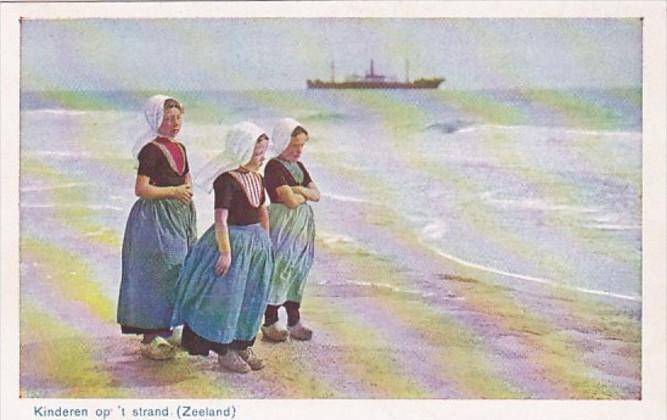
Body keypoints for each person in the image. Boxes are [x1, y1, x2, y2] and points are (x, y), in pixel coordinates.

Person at [171, 121, 272, 373]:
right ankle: (224, 350)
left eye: (263, 153)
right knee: (229, 298)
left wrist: (266, 241)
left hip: (256, 245)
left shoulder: (258, 179)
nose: (262, 158)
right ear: (242, 150)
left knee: (251, 296)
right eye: (258, 152)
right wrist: (225, 252)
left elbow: (262, 212)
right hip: (233, 243)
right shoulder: (226, 180)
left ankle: (242, 344)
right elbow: (221, 220)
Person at [117, 95, 197, 360]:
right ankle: (150, 337)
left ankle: (166, 326)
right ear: (155, 119)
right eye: (168, 118)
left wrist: (185, 198)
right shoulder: (151, 150)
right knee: (157, 273)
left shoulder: (181, 147)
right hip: (154, 220)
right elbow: (141, 189)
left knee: (178, 270)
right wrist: (174, 192)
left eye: (177, 118)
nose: (174, 123)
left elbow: (186, 180)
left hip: (178, 217)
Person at [261, 118, 320, 342]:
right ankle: (270, 321)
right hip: (283, 224)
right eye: (294, 145)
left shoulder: (299, 167)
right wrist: (301, 191)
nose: (298, 150)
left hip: (301, 227)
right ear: (283, 141)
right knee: (280, 268)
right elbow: (290, 201)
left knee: (298, 269)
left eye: (301, 146)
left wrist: (297, 189)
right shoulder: (274, 166)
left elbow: (317, 195)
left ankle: (294, 320)